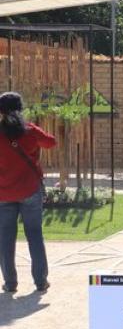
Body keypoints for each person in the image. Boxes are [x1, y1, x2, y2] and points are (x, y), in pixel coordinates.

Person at [0, 92, 56, 294]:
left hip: (3, 194)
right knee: (34, 235)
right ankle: (40, 281)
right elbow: (51, 142)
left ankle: (10, 283)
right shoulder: (30, 130)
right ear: (21, 108)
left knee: (5, 238)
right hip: (30, 191)